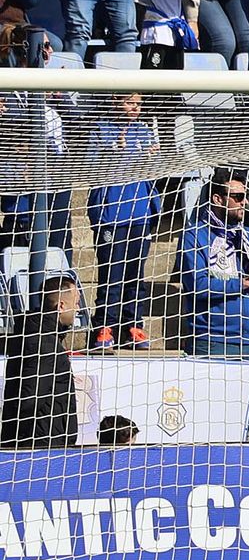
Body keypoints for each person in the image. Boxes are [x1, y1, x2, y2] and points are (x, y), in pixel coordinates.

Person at [178, 171, 249, 360]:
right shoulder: (194, 235)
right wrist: (246, 282)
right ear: (217, 199)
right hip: (210, 340)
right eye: (238, 197)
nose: (245, 203)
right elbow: (197, 286)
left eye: (246, 197)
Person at [86, 92, 157, 351]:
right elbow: (89, 166)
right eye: (130, 102)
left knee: (135, 275)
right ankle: (105, 326)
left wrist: (152, 157)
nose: (135, 108)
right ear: (116, 101)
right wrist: (112, 150)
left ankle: (133, 325)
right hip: (111, 215)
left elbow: (153, 170)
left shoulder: (145, 131)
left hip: (140, 213)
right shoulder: (101, 130)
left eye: (139, 103)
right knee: (111, 275)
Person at [0, 276, 79, 448]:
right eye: (76, 302)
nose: (78, 309)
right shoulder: (43, 342)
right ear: (61, 306)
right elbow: (30, 398)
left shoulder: (41, 334)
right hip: (41, 444)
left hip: (44, 439)